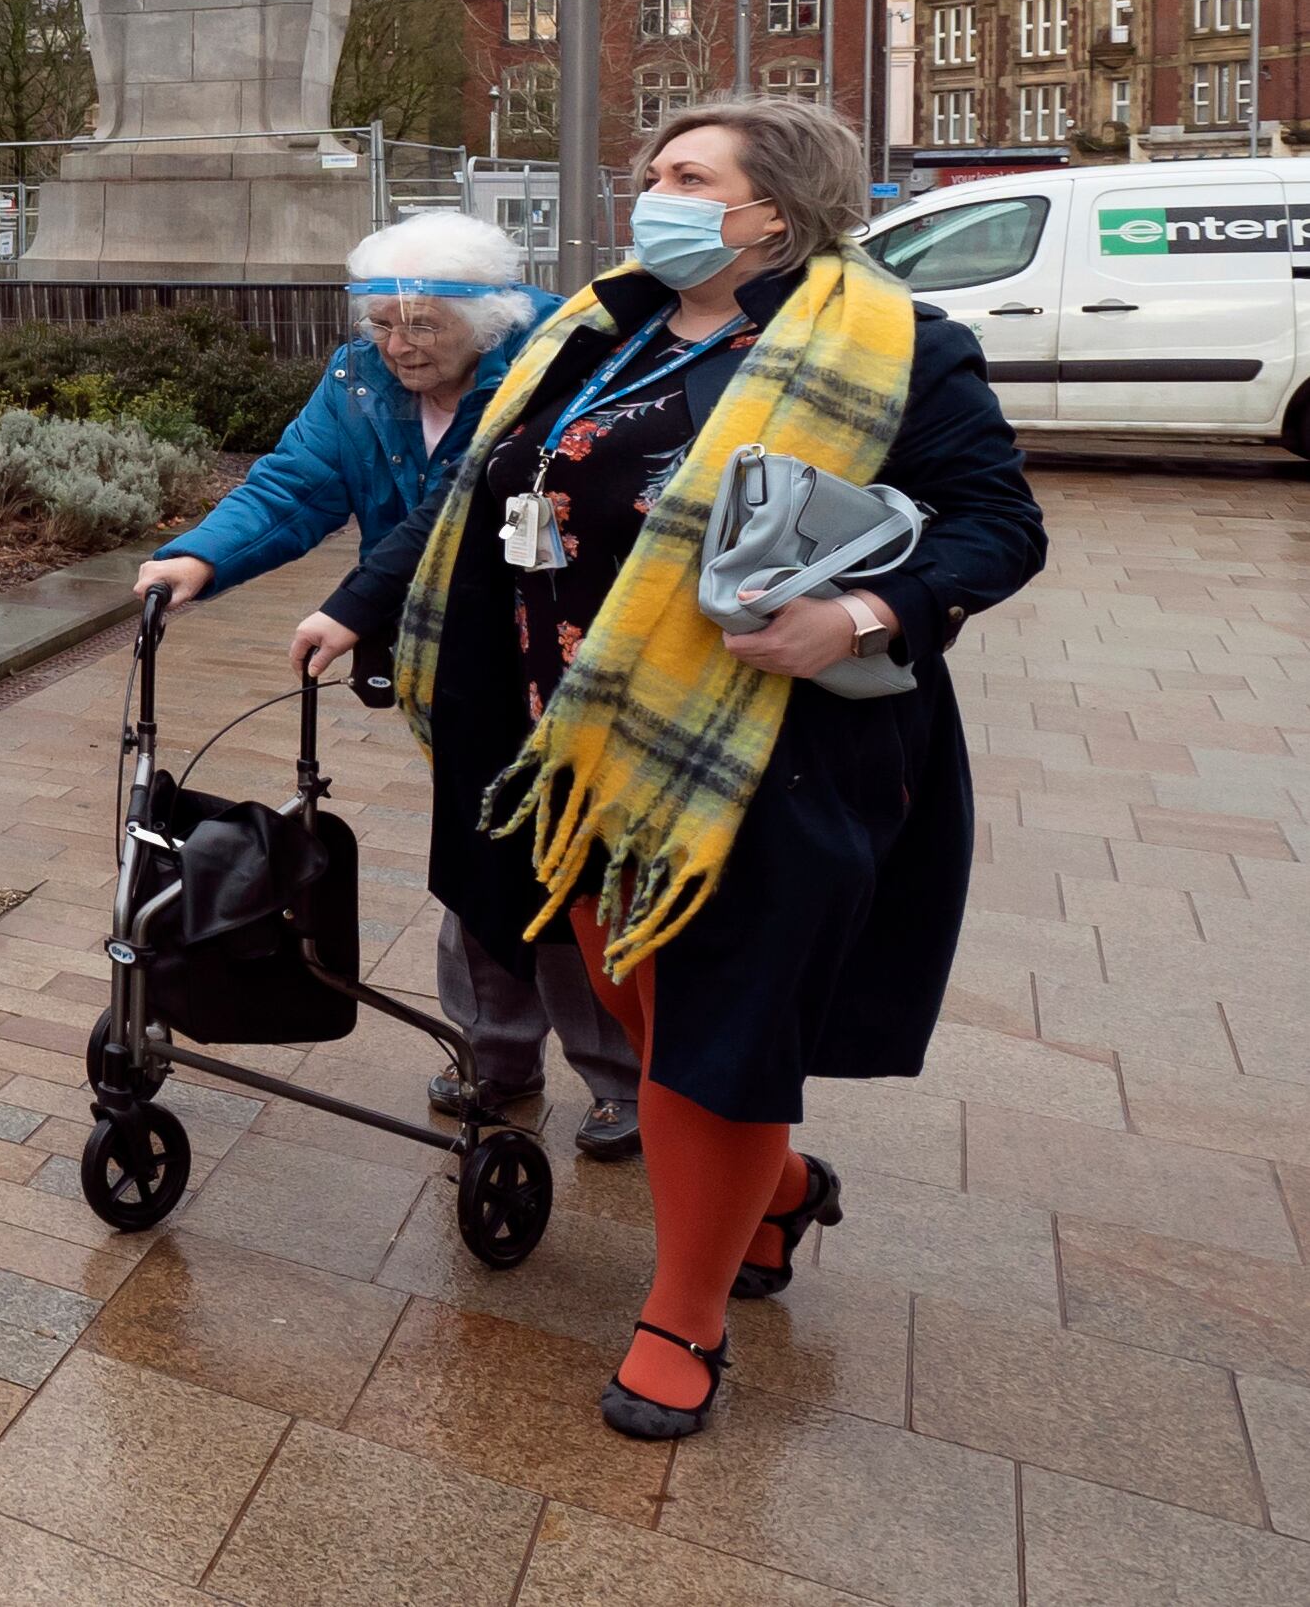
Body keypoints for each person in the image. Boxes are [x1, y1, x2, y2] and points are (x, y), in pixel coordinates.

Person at [291, 101, 1044, 1441]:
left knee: (714, 1037)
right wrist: (360, 601)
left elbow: (999, 525)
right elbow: (473, 495)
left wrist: (861, 618)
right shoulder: (601, 327)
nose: (654, 196)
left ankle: (682, 1317)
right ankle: (778, 1188)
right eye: (649, 174)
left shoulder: (900, 349)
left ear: (780, 208)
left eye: (690, 177)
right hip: (574, 756)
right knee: (641, 1005)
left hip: (766, 757)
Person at [134, 211, 642, 1161]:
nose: (399, 346)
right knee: (477, 852)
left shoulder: (551, 368)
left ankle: (622, 1077)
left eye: (423, 327)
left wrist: (354, 606)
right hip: (445, 657)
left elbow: (468, 508)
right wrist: (199, 557)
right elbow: (295, 483)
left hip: (558, 652)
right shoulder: (360, 376)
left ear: (486, 319)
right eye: (382, 325)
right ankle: (497, 1059)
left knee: (573, 859)